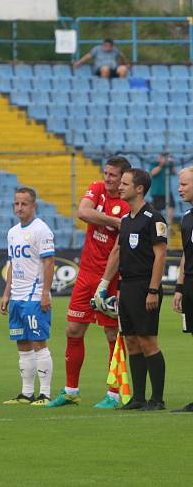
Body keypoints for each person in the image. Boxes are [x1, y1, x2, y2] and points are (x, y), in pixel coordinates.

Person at [47, 156, 132, 409]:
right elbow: (83, 212)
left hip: (112, 276)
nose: (107, 178)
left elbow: (118, 247)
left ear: (123, 178)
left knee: (111, 334)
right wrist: (113, 222)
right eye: (106, 173)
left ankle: (114, 393)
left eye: (113, 175)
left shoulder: (127, 203)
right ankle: (71, 390)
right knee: (73, 330)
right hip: (85, 274)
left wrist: (102, 218)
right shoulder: (96, 188)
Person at [96, 169, 167, 410]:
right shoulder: (126, 220)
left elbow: (160, 255)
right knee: (132, 342)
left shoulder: (154, 218)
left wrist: (153, 290)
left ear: (139, 188)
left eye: (125, 183)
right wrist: (105, 286)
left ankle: (157, 399)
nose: (120, 187)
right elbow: (117, 252)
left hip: (145, 285)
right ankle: (138, 398)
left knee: (148, 341)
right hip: (126, 287)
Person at [0, 188, 55, 406]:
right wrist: (6, 293)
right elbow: (13, 264)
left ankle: (46, 393)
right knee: (22, 343)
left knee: (39, 342)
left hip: (34, 296)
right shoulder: (12, 232)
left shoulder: (41, 230)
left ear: (33, 206)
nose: (19, 208)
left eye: (24, 204)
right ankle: (27, 393)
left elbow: (49, 262)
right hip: (17, 296)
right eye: (16, 204)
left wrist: (45, 293)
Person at [173, 167, 193, 412]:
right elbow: (186, 256)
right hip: (189, 287)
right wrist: (179, 287)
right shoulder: (186, 218)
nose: (179, 188)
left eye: (185, 184)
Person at [149, 153, 176, 225]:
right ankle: (158, 225)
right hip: (157, 191)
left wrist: (172, 164)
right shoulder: (154, 164)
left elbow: (175, 173)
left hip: (167, 191)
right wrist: (161, 164)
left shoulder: (168, 166)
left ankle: (169, 224)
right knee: (157, 211)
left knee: (172, 206)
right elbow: (152, 173)